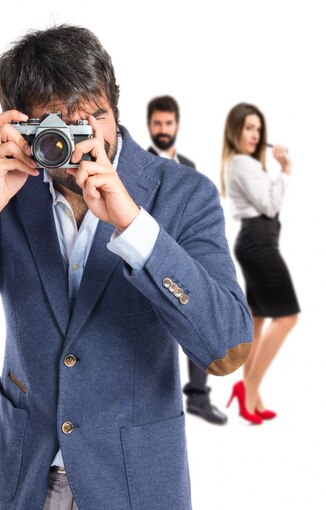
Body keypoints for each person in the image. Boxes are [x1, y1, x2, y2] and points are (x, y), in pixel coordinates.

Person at [0, 25, 252, 509]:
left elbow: (227, 349)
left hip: (135, 484)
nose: (84, 139)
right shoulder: (5, 193)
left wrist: (134, 226)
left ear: (116, 109)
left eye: (95, 117)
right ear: (22, 126)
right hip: (23, 480)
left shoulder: (185, 195)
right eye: (58, 125)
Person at [147, 95, 227, 426]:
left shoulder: (190, 169)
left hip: (186, 257)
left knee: (198, 317)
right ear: (150, 125)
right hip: (151, 257)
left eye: (168, 123)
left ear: (177, 125)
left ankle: (197, 394)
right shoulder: (137, 167)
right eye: (157, 124)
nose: (163, 130)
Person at [221, 102, 300, 425]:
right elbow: (269, 206)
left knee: (260, 318)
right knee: (287, 317)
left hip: (259, 241)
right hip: (258, 242)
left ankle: (250, 392)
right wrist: (285, 171)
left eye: (258, 128)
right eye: (248, 128)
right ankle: (249, 388)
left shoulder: (246, 164)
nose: (254, 134)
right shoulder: (241, 163)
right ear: (236, 130)